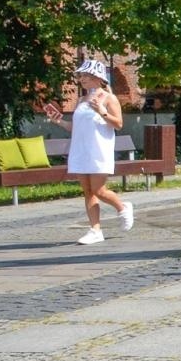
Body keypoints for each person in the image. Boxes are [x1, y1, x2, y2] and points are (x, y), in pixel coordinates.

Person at [43, 59, 133, 245]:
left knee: (99, 190)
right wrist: (58, 121)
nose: (81, 79)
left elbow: (119, 124)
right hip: (80, 149)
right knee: (87, 191)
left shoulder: (109, 98)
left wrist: (102, 112)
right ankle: (95, 230)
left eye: (85, 76)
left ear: (97, 78)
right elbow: (74, 127)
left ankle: (122, 207)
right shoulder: (81, 100)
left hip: (99, 150)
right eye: (81, 76)